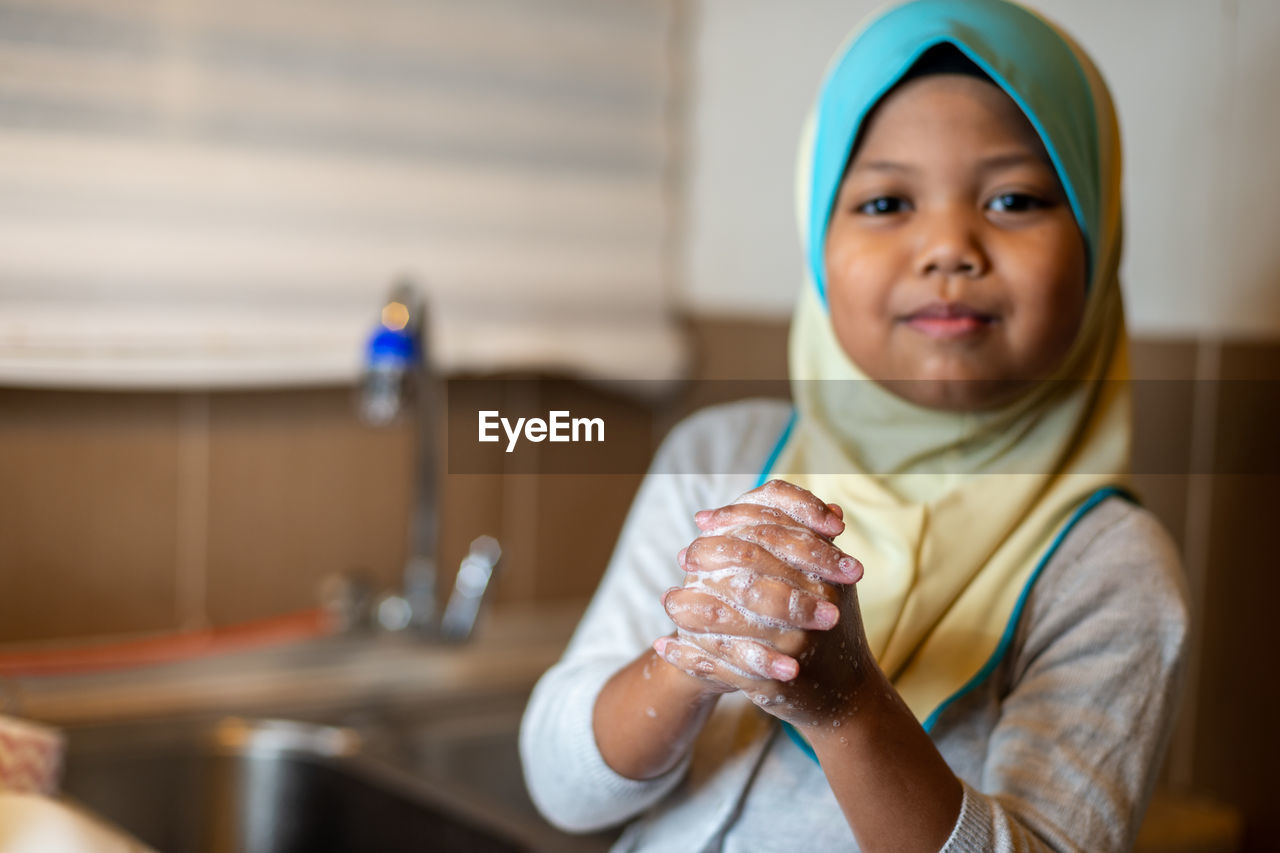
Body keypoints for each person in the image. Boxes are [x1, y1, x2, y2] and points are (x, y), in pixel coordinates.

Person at [520, 1, 1189, 850]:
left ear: (1098, 242)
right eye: (885, 203)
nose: (949, 245)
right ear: (817, 246)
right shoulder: (720, 459)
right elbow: (562, 787)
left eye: (1015, 197)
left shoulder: (1110, 568)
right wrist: (690, 658)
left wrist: (845, 708)